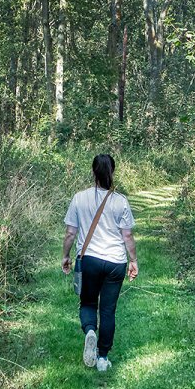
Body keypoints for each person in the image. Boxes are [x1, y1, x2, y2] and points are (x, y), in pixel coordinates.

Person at [62, 154, 138, 372]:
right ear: (112, 173)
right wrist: (133, 261)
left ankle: (90, 332)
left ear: (93, 172)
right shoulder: (120, 201)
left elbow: (70, 233)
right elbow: (128, 237)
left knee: (87, 303)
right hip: (115, 262)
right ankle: (103, 358)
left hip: (89, 260)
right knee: (108, 311)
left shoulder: (79, 198)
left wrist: (66, 256)